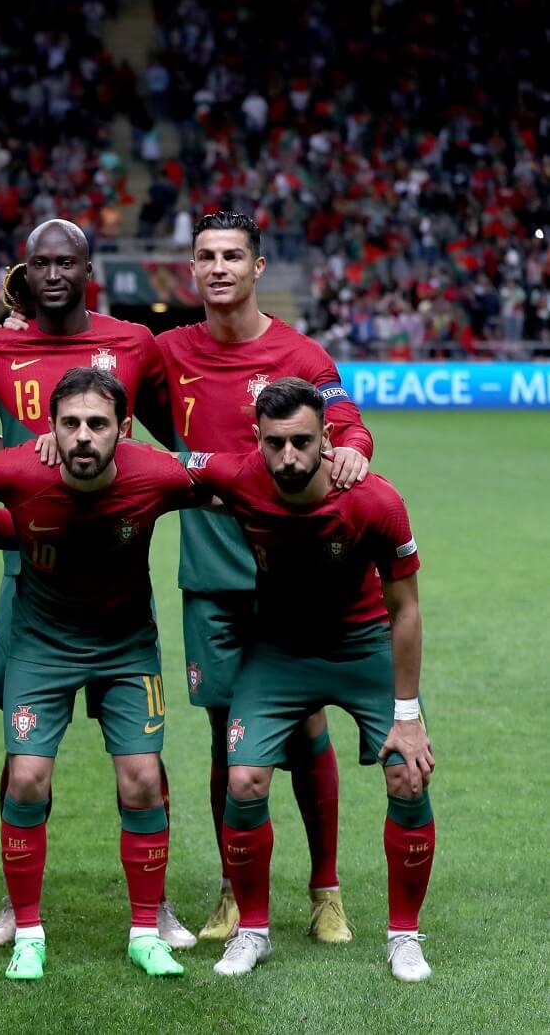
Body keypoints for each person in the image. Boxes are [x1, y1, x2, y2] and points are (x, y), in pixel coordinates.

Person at [0, 218, 193, 949]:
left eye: (67, 262)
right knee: (24, 754)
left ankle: (156, 906)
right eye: (42, 263)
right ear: (25, 273)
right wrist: (16, 462)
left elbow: (166, 433)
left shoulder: (134, 342)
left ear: (88, 270)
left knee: (141, 763)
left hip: (115, 567)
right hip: (29, 569)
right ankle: (16, 907)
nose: (55, 274)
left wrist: (120, 461)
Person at [159, 212, 375, 941]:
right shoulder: (169, 352)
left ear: (256, 267)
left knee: (306, 724)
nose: (218, 268)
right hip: (210, 575)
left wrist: (355, 450)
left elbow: (345, 421)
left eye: (232, 256)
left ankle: (325, 891)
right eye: (205, 256)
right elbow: (103, 375)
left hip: (292, 574)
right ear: (192, 269)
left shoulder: (298, 352)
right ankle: (232, 888)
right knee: (227, 735)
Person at [183, 378, 434, 981]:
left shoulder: (375, 499)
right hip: (280, 653)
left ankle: (404, 936)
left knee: (408, 775)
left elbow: (406, 611)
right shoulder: (239, 476)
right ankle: (252, 931)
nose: (289, 456)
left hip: (363, 647)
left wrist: (408, 717)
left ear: (327, 438)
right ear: (257, 440)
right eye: (275, 443)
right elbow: (160, 464)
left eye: (302, 441)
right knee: (243, 780)